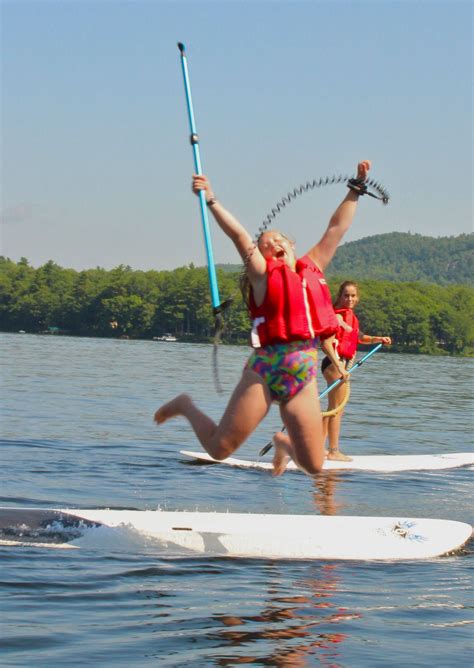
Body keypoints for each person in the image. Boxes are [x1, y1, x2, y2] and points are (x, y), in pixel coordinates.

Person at [154, 161, 371, 476]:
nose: (273, 245)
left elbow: (337, 228)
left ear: (291, 246)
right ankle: (186, 405)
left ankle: (284, 443)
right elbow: (240, 236)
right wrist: (211, 199)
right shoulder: (261, 275)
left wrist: (356, 188)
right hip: (265, 368)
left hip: (303, 370)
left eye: (278, 241)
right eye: (266, 245)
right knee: (219, 449)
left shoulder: (313, 266)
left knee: (313, 466)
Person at [321, 280, 392, 462]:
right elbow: (326, 344)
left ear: (357, 298)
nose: (350, 299)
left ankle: (317, 448)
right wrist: (340, 367)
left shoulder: (350, 317)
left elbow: (359, 338)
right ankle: (333, 451)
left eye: (353, 296)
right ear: (340, 296)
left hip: (340, 364)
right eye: (346, 295)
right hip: (335, 364)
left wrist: (378, 339)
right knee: (338, 410)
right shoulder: (336, 317)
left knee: (332, 409)